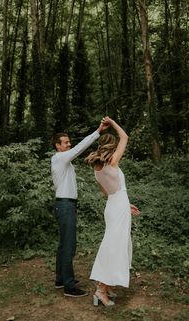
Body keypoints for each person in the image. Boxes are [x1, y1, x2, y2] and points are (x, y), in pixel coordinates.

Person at [85, 116, 140, 307]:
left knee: (113, 245)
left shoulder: (97, 168)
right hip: (117, 207)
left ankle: (106, 287)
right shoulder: (113, 161)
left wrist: (126, 205)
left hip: (113, 206)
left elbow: (109, 193)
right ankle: (100, 290)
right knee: (114, 247)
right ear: (112, 146)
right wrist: (113, 122)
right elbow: (125, 136)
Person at [51, 119, 109, 297]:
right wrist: (98, 131)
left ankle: (61, 279)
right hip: (65, 205)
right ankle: (69, 287)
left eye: (69, 142)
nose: (69, 144)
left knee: (63, 244)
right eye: (66, 142)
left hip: (65, 205)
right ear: (58, 146)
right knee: (69, 245)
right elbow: (79, 148)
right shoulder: (60, 158)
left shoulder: (63, 161)